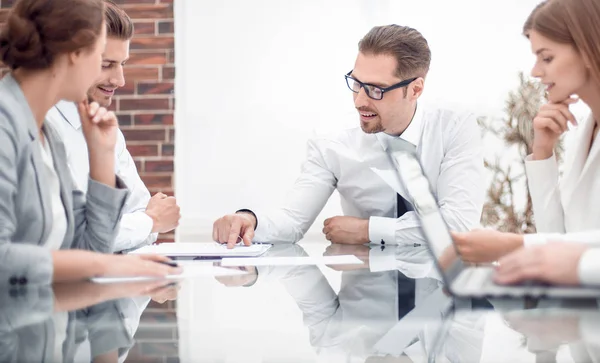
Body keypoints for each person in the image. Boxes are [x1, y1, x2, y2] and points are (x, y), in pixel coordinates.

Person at [213, 24, 484, 248]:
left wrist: (368, 230)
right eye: (356, 84)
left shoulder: (454, 126)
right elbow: (292, 222)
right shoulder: (332, 142)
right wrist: (250, 220)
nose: (359, 101)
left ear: (415, 90)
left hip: (446, 301)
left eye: (376, 89)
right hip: (365, 304)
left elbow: (458, 224)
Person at [0, 0, 180, 284]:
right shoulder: (5, 124)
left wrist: (101, 157)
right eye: (103, 61)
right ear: (74, 54)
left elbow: (85, 245)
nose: (119, 79)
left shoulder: (50, 135)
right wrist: (109, 265)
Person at [450, 0, 600, 286]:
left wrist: (515, 245)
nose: (535, 71)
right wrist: (542, 152)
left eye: (546, 58)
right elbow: (560, 237)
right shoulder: (583, 133)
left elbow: (560, 250)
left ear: (588, 48)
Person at [46, 0, 180, 252]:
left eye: (122, 64)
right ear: (69, 57)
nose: (119, 80)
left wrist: (144, 223)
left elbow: (142, 217)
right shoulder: (39, 127)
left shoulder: (109, 132)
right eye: (106, 65)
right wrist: (148, 222)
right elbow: (70, 238)